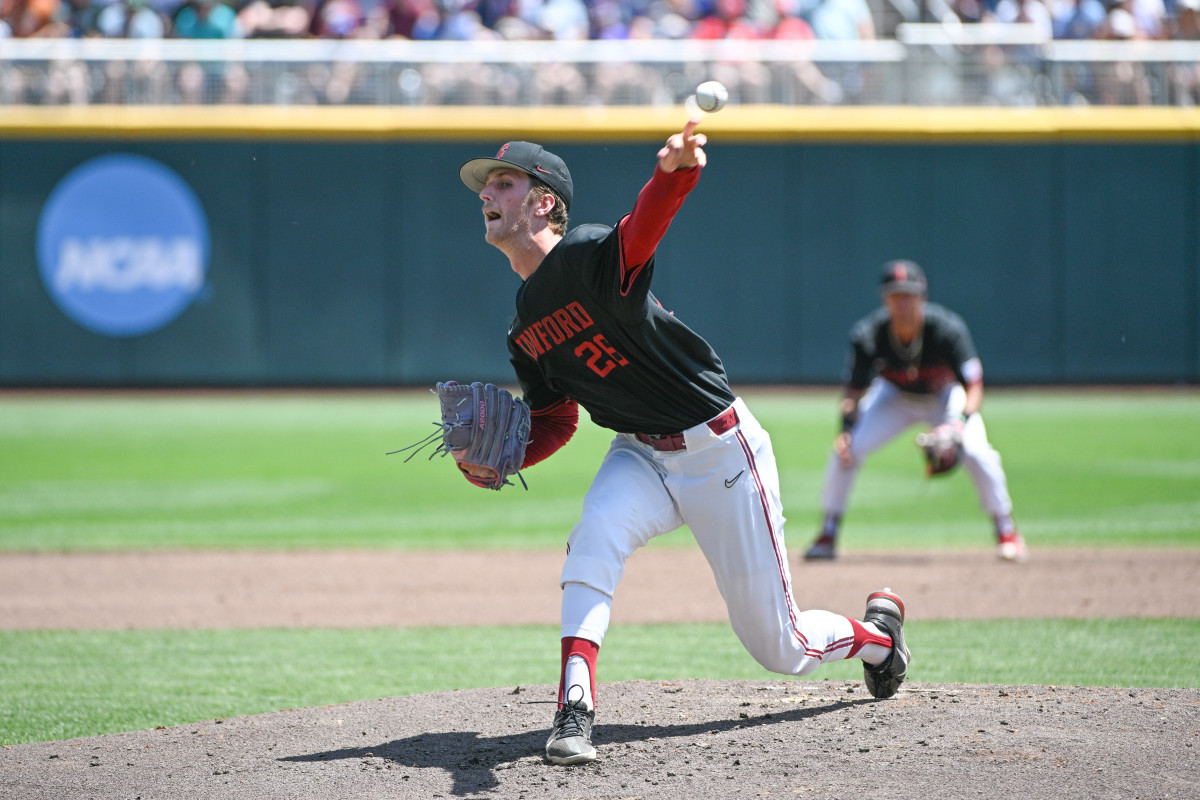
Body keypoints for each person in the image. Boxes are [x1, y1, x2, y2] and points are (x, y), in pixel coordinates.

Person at [455, 121, 911, 766]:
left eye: (503, 182)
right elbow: (557, 421)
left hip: (720, 451)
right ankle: (574, 708)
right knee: (593, 535)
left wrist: (675, 173)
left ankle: (878, 639)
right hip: (639, 454)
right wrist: (498, 459)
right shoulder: (524, 327)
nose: (486, 194)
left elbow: (643, 229)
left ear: (543, 201)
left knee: (780, 647)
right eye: (484, 186)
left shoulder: (587, 255)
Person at [804, 259, 1027, 563]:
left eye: (908, 294)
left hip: (943, 397)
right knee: (846, 451)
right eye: (896, 295)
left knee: (977, 452)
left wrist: (959, 425)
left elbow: (974, 386)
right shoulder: (868, 335)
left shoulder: (947, 329)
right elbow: (853, 394)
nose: (902, 302)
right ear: (885, 299)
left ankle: (1006, 530)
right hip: (893, 398)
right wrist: (844, 430)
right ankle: (828, 533)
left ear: (922, 296)